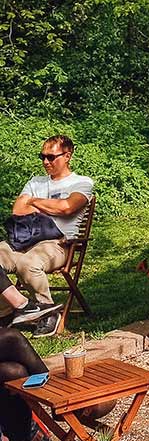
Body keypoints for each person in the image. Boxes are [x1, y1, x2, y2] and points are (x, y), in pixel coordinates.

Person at [0, 135, 93, 324]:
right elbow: (18, 210)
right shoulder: (36, 181)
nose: (45, 161)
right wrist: (52, 206)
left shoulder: (82, 183)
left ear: (67, 156)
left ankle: (47, 313)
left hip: (58, 245)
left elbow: (67, 207)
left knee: (28, 263)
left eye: (51, 157)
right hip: (24, 240)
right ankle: (10, 311)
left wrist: (33, 202)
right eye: (42, 156)